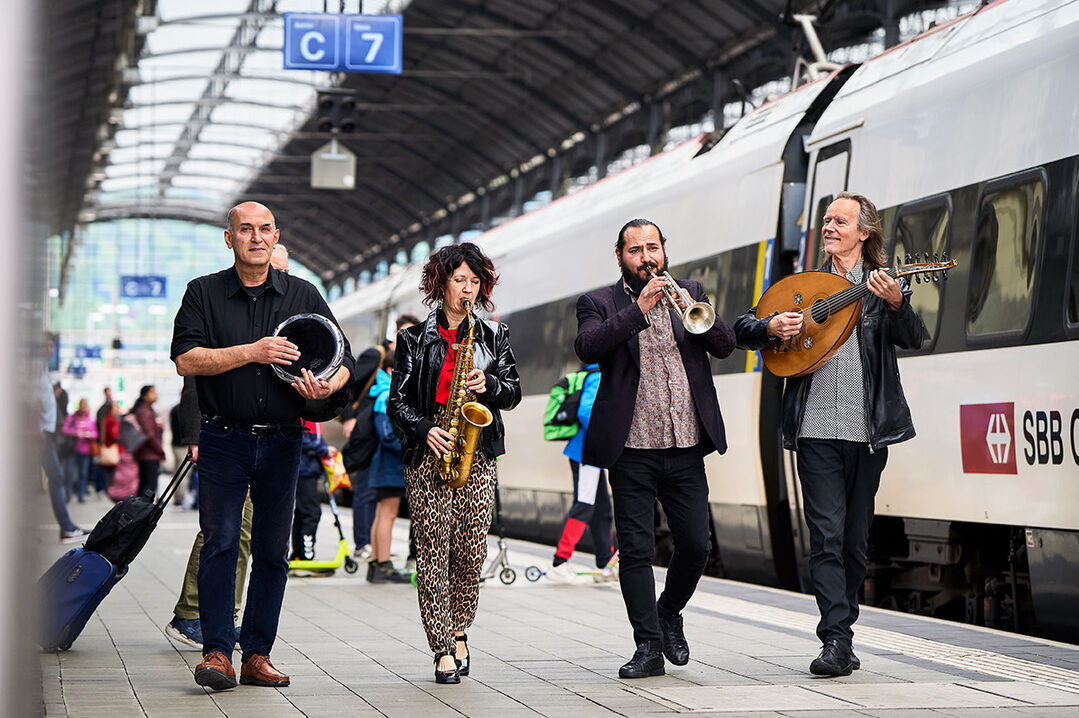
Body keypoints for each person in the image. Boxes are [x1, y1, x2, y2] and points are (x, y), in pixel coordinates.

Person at [734, 192, 926, 677]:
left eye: (841, 221)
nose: (830, 227)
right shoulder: (805, 288)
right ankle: (836, 640)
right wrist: (772, 326)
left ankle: (845, 632)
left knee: (854, 541)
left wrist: (898, 302)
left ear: (865, 232)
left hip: (867, 433)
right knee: (826, 535)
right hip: (815, 430)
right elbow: (743, 327)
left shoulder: (882, 286)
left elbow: (914, 336)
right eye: (826, 220)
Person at [171, 202, 354, 691]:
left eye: (265, 228)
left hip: (282, 440)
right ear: (228, 239)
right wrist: (253, 352)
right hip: (222, 438)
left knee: (273, 551)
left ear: (277, 236)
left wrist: (327, 386)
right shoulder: (203, 293)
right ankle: (216, 652)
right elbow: (186, 359)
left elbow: (344, 361)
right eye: (245, 229)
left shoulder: (303, 293)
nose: (257, 237)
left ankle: (256, 655)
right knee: (222, 544)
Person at [575, 218, 736, 679]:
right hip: (631, 447)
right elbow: (587, 346)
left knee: (696, 544)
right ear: (620, 256)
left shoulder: (690, 289)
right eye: (635, 250)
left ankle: (668, 613)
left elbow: (724, 347)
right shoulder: (599, 302)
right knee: (637, 549)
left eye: (653, 248)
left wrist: (695, 308)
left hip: (686, 442)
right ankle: (647, 646)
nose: (646, 257)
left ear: (664, 250)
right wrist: (637, 311)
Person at [387, 242, 521, 684]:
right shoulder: (411, 340)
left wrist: (492, 384)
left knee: (470, 549)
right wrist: (425, 429)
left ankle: (461, 627)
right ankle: (442, 646)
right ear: (440, 283)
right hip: (430, 455)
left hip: (476, 454)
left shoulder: (495, 336)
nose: (467, 289)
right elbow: (397, 402)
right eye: (459, 280)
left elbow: (514, 393)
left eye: (474, 281)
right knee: (432, 551)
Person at [165, 244, 289, 651]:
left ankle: (209, 616)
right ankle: (199, 616)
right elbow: (192, 378)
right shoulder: (218, 303)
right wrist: (196, 436)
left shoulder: (290, 307)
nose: (279, 279)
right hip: (225, 437)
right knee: (228, 533)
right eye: (276, 269)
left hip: (275, 440)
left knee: (245, 536)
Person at [342, 313, 419, 560]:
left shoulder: (387, 387)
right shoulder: (378, 361)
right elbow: (349, 386)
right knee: (384, 508)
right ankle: (376, 556)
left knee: (383, 509)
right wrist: (348, 418)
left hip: (381, 452)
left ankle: (378, 557)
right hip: (382, 453)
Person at [546, 363, 617, 583]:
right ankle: (559, 562)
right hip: (587, 453)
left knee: (602, 509)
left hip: (590, 454)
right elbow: (587, 412)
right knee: (585, 505)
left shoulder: (597, 373)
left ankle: (605, 563)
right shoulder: (597, 375)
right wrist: (606, 438)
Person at [35, 333, 87, 542]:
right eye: (45, 345)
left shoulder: (41, 371)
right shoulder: (32, 370)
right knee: (56, 477)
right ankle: (66, 527)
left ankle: (67, 526)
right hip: (38, 435)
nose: (49, 350)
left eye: (51, 346)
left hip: (44, 434)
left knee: (55, 477)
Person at [367, 348, 410, 583]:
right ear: (391, 371)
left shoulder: (381, 392)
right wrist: (410, 444)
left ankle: (376, 562)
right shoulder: (387, 395)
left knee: (382, 513)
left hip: (383, 463)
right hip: (390, 463)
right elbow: (388, 435)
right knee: (389, 514)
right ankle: (384, 564)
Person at [290, 420, 335, 563]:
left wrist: (324, 447)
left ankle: (298, 554)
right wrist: (324, 450)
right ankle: (306, 556)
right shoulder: (305, 414)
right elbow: (299, 438)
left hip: (307, 470)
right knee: (311, 512)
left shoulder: (314, 417)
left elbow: (313, 439)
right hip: (303, 470)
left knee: (302, 513)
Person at [61, 398, 98, 503]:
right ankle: (67, 495)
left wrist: (89, 434)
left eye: (85, 405)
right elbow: (64, 430)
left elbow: (95, 434)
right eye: (82, 405)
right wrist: (75, 432)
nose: (84, 407)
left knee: (83, 474)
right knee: (70, 473)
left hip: (85, 450)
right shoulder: (72, 418)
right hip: (72, 450)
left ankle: (81, 496)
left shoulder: (90, 419)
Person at [132, 385, 165, 498]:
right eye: (152, 392)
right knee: (149, 488)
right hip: (149, 454)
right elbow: (149, 435)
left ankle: (139, 511)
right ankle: (142, 512)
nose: (155, 395)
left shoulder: (148, 409)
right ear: (144, 395)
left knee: (145, 486)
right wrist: (160, 451)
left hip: (147, 453)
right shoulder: (144, 411)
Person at [92, 387, 114, 496]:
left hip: (110, 442)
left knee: (107, 465)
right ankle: (101, 487)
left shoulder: (110, 407)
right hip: (105, 442)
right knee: (103, 465)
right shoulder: (103, 410)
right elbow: (101, 426)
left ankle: (105, 487)